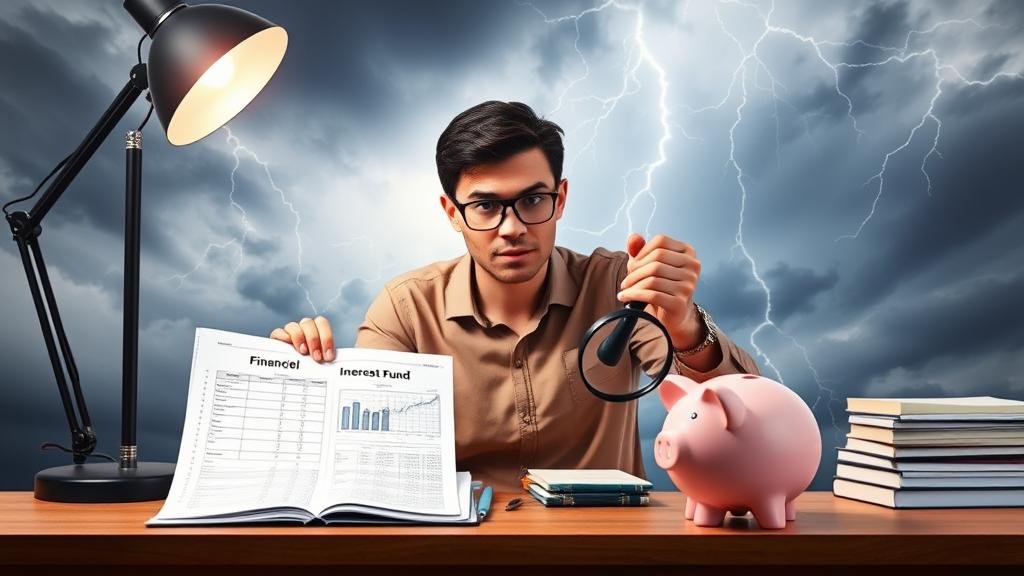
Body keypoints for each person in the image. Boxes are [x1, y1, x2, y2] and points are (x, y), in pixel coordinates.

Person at [270, 101, 760, 491]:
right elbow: (359, 445)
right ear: (451, 211)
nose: (512, 229)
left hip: (603, 548)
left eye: (532, 200)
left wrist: (685, 327)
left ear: (560, 198)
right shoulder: (407, 308)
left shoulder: (618, 286)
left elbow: (743, 422)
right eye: (485, 205)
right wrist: (303, 380)